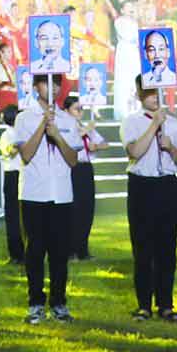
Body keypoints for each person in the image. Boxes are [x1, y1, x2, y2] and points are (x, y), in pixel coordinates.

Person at [121, 77, 177, 321]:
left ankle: (166, 304)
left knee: (167, 248)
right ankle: (144, 305)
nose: (153, 96)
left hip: (167, 185)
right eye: (148, 92)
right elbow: (135, 152)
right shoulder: (131, 122)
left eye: (156, 91)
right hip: (142, 185)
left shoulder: (174, 123)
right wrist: (154, 125)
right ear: (140, 93)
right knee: (142, 248)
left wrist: (171, 147)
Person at [15, 73, 82, 323]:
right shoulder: (24, 117)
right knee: (35, 251)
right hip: (34, 193)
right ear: (35, 86)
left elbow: (73, 159)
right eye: (46, 82)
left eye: (56, 83)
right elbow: (26, 154)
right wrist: (43, 125)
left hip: (62, 194)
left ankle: (59, 302)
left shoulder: (67, 120)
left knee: (60, 253)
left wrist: (57, 135)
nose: (52, 88)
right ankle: (35, 303)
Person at [65, 95, 108, 260]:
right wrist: (86, 130)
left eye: (81, 109)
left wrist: (95, 145)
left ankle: (83, 248)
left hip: (85, 168)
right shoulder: (65, 127)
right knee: (73, 209)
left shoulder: (85, 127)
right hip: (71, 168)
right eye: (76, 109)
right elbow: (70, 142)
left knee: (86, 208)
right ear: (67, 111)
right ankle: (70, 249)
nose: (80, 112)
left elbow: (104, 143)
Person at [0, 105, 25, 265]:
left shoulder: (22, 132)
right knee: (13, 215)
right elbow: (10, 151)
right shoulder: (7, 134)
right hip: (13, 175)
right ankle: (16, 253)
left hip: (23, 174)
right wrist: (20, 143)